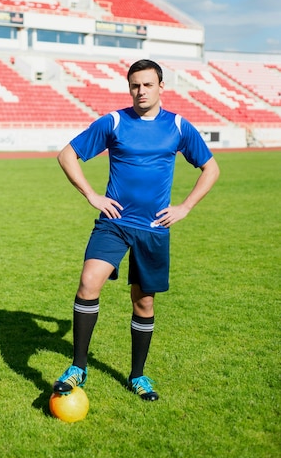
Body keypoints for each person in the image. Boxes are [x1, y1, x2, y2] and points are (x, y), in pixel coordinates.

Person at [52, 59, 220, 401]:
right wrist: (92, 195)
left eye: (147, 85)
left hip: (154, 229)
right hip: (114, 223)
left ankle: (137, 376)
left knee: (143, 303)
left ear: (161, 87)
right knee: (88, 283)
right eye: (134, 85)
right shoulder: (114, 121)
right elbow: (67, 155)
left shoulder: (177, 126)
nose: (140, 91)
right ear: (129, 88)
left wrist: (185, 207)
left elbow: (211, 168)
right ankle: (78, 367)